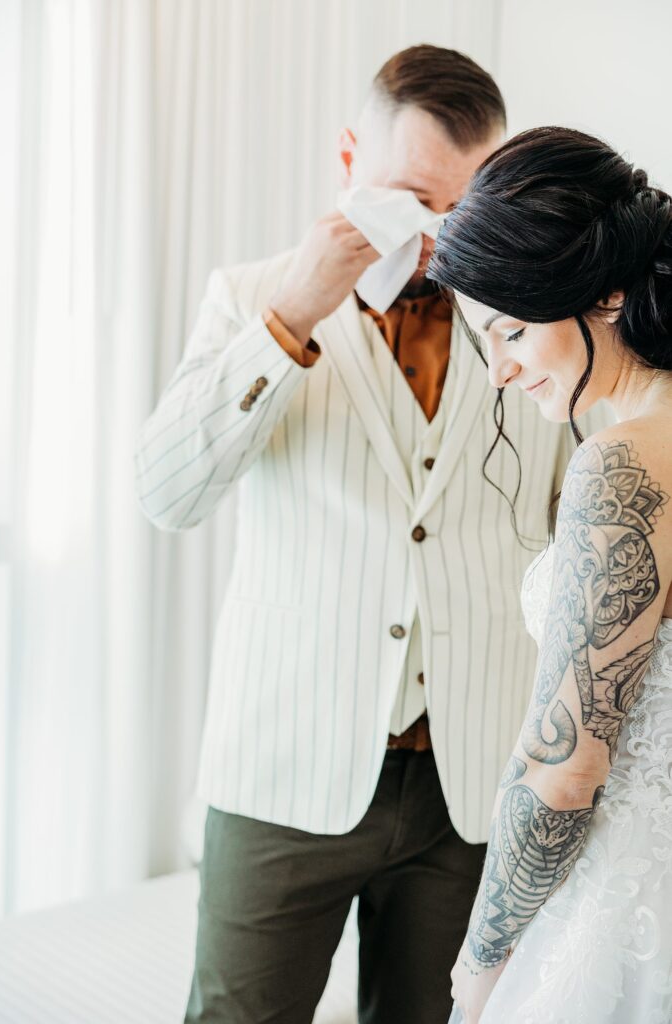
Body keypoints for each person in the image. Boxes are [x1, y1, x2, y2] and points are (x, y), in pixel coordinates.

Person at [135, 48, 599, 1023]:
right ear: (348, 158)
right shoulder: (247, 293)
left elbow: (583, 526)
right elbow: (167, 494)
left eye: (466, 207)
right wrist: (287, 317)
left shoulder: (535, 323)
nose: (437, 235)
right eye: (410, 198)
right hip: (283, 772)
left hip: (468, 788)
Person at [427, 126, 672, 1024]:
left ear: (606, 295)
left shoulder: (624, 469)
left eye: (513, 329)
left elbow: (565, 767)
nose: (498, 370)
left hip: (627, 905)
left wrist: (482, 956)